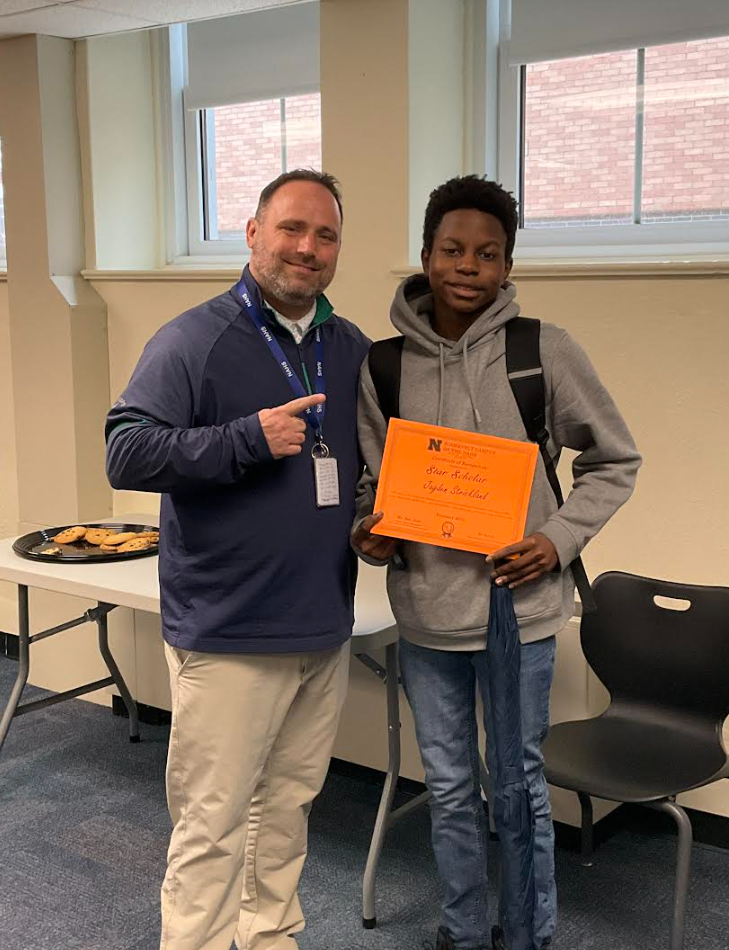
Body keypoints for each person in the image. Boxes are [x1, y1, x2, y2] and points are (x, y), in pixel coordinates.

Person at [352, 175, 641, 950]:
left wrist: (557, 539)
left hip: (521, 615)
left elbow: (614, 459)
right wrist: (367, 533)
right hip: (425, 616)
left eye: (487, 253)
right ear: (424, 255)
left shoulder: (538, 350)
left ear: (507, 266)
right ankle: (459, 929)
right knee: (448, 789)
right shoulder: (383, 366)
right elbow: (368, 488)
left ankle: (528, 935)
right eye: (452, 249)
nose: (467, 266)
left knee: (515, 789)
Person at [105, 169, 370, 950]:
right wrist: (244, 440)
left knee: (285, 813)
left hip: (320, 621)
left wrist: (371, 523)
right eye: (290, 228)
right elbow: (127, 449)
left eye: (324, 235)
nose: (306, 248)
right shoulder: (194, 338)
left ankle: (268, 939)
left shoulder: (346, 346)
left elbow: (353, 470)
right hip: (228, 630)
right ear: (252, 234)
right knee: (213, 826)